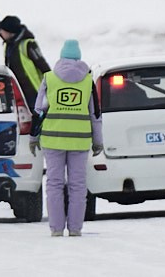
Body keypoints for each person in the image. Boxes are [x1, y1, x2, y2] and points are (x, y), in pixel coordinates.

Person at [33, 38, 101, 237]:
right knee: (77, 185)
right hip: (80, 140)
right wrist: (98, 141)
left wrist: (33, 136)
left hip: (52, 139)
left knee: (54, 183)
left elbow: (39, 110)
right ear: (79, 58)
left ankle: (56, 229)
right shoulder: (88, 81)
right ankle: (75, 229)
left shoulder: (49, 78)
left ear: (61, 57)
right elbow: (95, 114)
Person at [0, 0, 50, 104]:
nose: (0, 31)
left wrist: (55, 87)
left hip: (32, 92)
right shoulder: (10, 41)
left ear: (10, 32)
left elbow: (43, 66)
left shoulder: (28, 44)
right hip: (16, 90)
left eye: (3, 30)